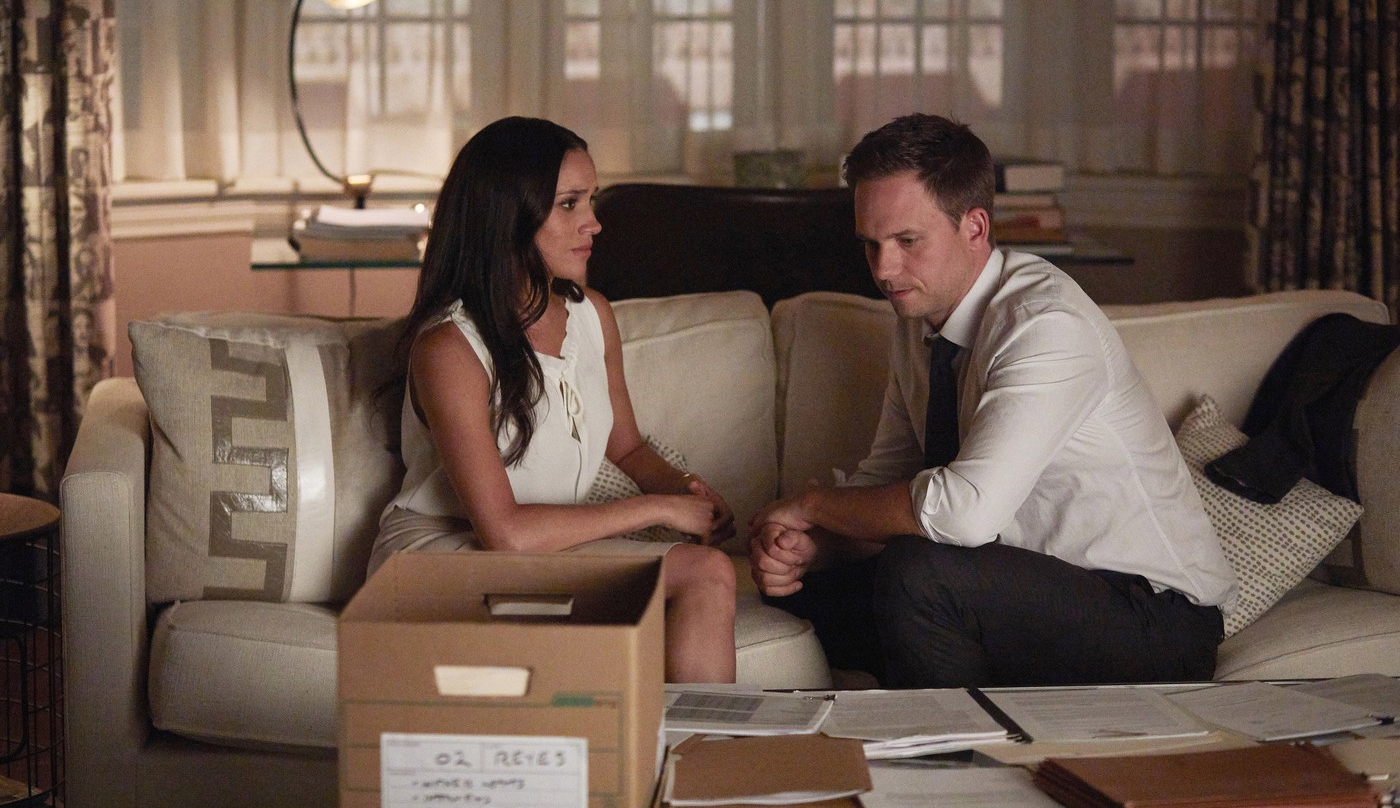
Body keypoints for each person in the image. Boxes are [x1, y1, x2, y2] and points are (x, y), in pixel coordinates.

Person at [749, 113, 1237, 689]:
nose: (884, 269)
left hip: (1152, 618)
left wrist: (812, 505)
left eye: (907, 241)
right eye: (871, 244)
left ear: (975, 227)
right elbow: (889, 480)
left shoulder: (1045, 324)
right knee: (802, 591)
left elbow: (963, 514)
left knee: (918, 574)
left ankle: (956, 739)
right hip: (1016, 590)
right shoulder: (916, 320)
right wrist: (813, 546)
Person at [371, 116, 737, 683]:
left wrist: (685, 492)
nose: (594, 222)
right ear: (507, 219)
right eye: (569, 204)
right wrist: (659, 510)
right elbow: (506, 535)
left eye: (590, 200)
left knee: (709, 569)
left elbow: (628, 448)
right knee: (699, 575)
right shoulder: (450, 348)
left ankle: (695, 740)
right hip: (442, 558)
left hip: (543, 551)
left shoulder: (593, 316)